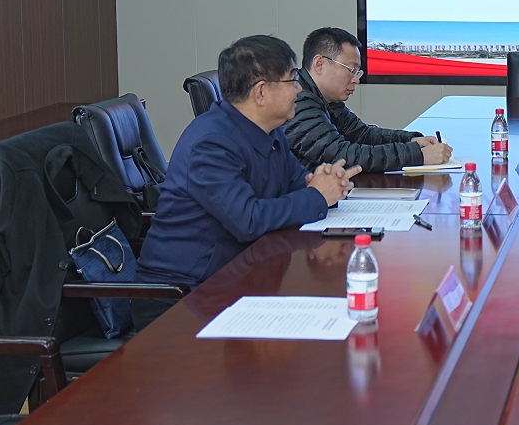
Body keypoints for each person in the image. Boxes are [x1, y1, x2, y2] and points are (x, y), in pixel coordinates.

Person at [134, 35, 359, 328]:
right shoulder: (212, 144)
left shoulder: (269, 129)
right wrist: (317, 195)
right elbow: (247, 220)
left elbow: (297, 183)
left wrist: (325, 182)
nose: (299, 89)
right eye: (292, 80)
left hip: (237, 277)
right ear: (261, 92)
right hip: (184, 298)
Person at [285, 27, 453, 172]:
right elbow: (342, 156)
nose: (356, 80)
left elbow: (362, 134)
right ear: (320, 64)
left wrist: (410, 140)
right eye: (351, 70)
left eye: (357, 72)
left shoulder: (327, 99)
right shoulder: (297, 101)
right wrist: (417, 155)